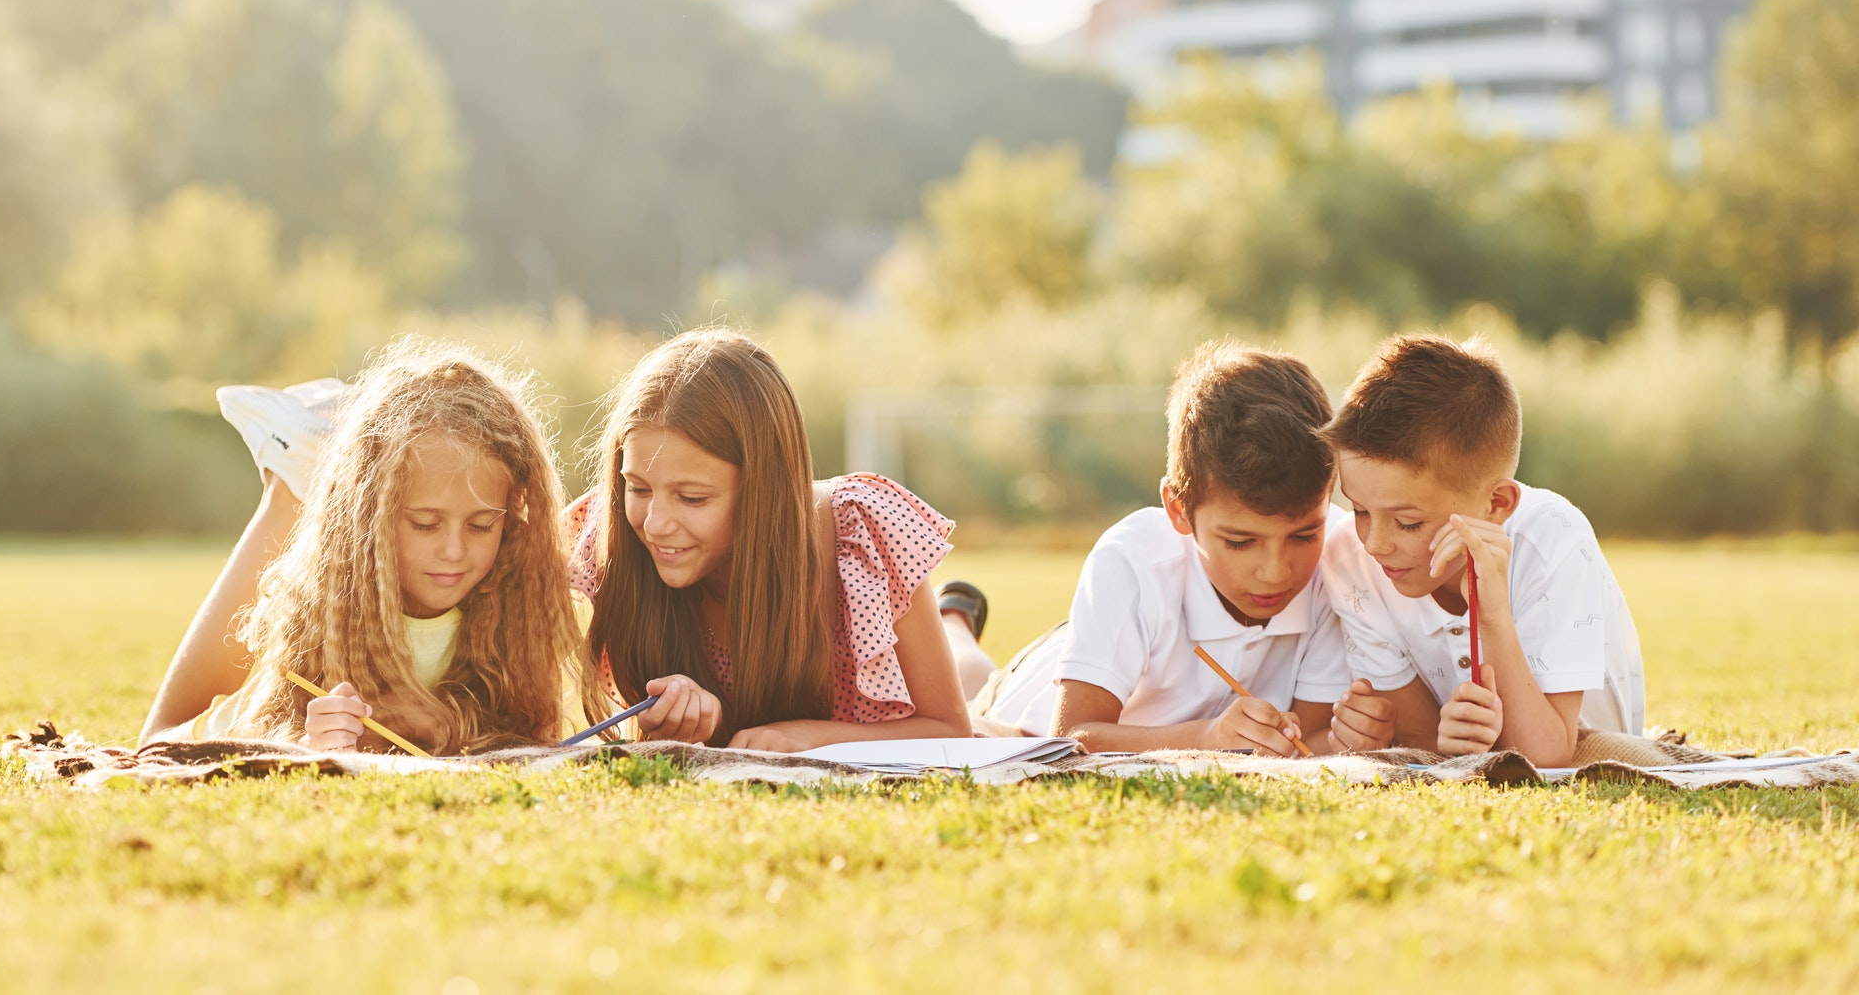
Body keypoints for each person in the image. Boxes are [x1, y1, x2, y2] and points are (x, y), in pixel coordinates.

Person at [141, 340, 596, 753]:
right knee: (158, 737)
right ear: (371, 518)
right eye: (424, 524)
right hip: (231, 711)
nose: (455, 550)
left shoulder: (518, 594)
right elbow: (163, 747)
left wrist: (445, 723)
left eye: (480, 525)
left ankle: (318, 455)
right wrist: (303, 738)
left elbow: (530, 742)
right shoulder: (328, 595)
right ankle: (289, 481)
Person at [975, 343, 1395, 758]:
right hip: (1030, 698)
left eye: (1304, 536)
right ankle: (955, 615)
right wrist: (1208, 738)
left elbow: (1306, 741)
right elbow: (1072, 735)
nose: (1276, 572)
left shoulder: (1340, 561)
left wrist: (1343, 741)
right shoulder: (1133, 560)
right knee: (970, 677)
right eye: (1240, 542)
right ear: (1178, 509)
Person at [571, 327, 973, 752]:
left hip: (947, 696)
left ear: (765, 491)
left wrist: (807, 735)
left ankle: (957, 618)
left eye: (691, 498)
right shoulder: (608, 533)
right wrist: (689, 720)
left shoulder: (860, 535)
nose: (654, 524)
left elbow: (951, 729)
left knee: (978, 678)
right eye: (638, 488)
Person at [1319, 333, 1645, 766]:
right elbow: (1421, 738)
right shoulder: (1349, 561)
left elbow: (1548, 756)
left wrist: (1492, 615)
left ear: (1496, 505)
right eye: (1359, 509)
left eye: (1408, 522)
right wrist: (1444, 738)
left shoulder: (1554, 540)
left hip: (1578, 740)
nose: (1375, 545)